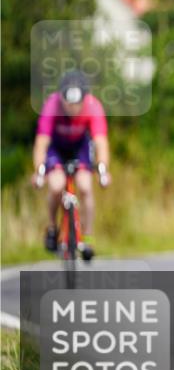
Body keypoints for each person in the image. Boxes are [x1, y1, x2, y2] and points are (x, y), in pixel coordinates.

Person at [32, 71, 111, 260]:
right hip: (56, 149)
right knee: (56, 185)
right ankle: (52, 228)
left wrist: (103, 170)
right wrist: (39, 171)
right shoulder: (51, 105)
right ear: (61, 97)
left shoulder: (94, 107)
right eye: (68, 103)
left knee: (85, 186)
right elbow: (41, 143)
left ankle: (88, 238)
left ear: (85, 98)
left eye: (77, 103)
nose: (72, 108)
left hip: (80, 147)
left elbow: (101, 142)